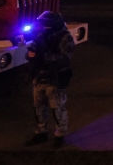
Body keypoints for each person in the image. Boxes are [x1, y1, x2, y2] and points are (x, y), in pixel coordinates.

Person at [25, 11, 75, 148]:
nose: (44, 26)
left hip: (55, 79)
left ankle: (60, 135)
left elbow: (64, 59)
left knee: (57, 108)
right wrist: (31, 55)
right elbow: (30, 54)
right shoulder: (41, 36)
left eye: (47, 24)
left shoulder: (65, 38)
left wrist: (43, 56)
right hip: (39, 78)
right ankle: (41, 132)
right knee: (39, 108)